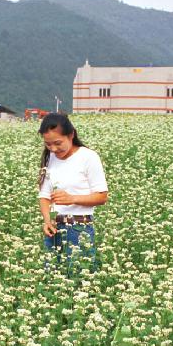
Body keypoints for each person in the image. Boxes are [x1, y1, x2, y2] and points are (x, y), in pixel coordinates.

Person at [37, 113, 108, 273]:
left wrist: (72, 199)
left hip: (79, 229)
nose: (53, 149)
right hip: (54, 229)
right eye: (48, 144)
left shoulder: (88, 157)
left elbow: (102, 196)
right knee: (51, 277)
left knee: (79, 279)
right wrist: (47, 221)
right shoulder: (50, 157)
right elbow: (44, 195)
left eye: (58, 143)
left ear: (71, 135)